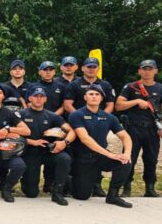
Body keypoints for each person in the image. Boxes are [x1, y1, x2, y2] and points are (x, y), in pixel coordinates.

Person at [68, 85, 133, 208]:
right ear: (85, 97)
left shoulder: (109, 117)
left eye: (97, 94)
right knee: (81, 196)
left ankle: (113, 195)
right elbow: (85, 139)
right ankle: (70, 180)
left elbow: (125, 136)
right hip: (83, 158)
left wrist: (127, 153)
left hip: (101, 156)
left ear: (102, 98)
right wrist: (109, 154)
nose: (94, 96)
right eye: (91, 94)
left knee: (125, 162)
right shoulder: (76, 115)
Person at [63, 57, 116, 197]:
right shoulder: (75, 84)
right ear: (83, 68)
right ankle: (73, 181)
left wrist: (102, 118)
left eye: (94, 66)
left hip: (100, 123)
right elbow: (68, 104)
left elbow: (110, 104)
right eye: (88, 66)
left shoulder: (105, 85)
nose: (91, 69)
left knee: (99, 149)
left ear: (98, 68)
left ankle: (97, 184)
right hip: (79, 125)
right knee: (79, 153)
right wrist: (80, 118)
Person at [19, 87, 75, 205]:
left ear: (45, 99)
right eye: (36, 96)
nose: (38, 99)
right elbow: (11, 133)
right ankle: (26, 182)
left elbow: (71, 131)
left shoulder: (52, 116)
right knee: (31, 193)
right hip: (30, 152)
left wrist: (64, 142)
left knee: (64, 158)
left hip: (48, 152)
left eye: (41, 96)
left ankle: (57, 192)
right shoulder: (21, 114)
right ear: (30, 98)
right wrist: (31, 142)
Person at [115, 59, 162, 197]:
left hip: (152, 129)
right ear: (139, 71)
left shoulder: (160, 88)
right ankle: (126, 187)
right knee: (129, 158)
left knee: (151, 159)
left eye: (150, 69)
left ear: (155, 71)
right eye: (144, 69)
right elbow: (118, 106)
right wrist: (136, 101)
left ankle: (150, 188)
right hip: (133, 128)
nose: (147, 71)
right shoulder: (131, 87)